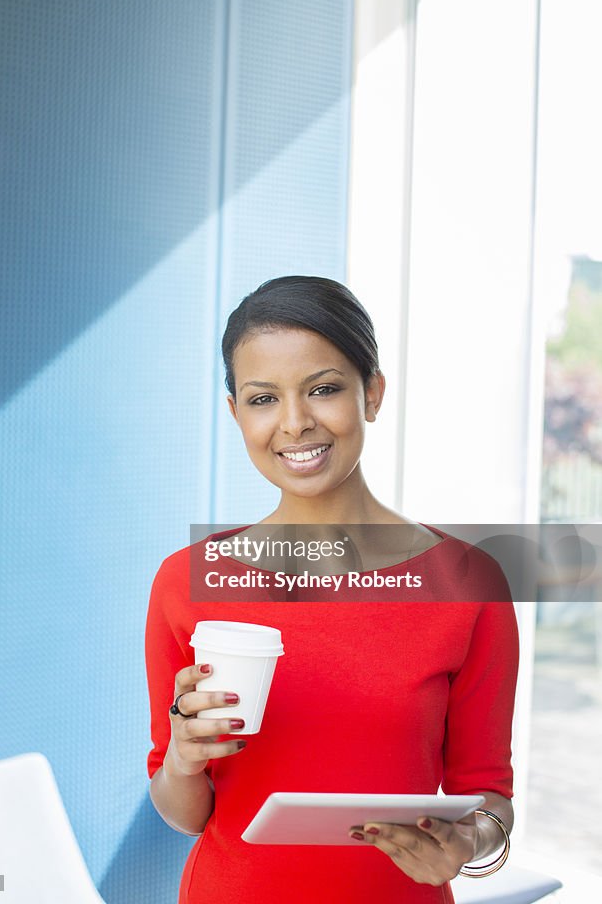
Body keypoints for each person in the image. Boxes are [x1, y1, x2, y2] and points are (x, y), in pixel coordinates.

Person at [145, 275, 518, 903]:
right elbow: (185, 813)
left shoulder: (468, 583)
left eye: (323, 389)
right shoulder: (185, 582)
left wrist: (468, 844)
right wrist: (183, 758)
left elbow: (489, 797)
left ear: (372, 393)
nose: (295, 423)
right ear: (236, 413)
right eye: (263, 399)